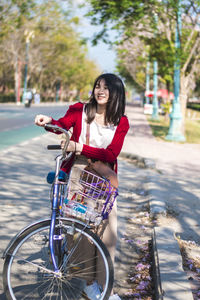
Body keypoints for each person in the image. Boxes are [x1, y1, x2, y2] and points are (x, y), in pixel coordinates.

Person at [35, 73, 130, 300]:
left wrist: (80, 147)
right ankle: (88, 285)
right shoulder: (80, 110)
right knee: (79, 233)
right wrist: (48, 121)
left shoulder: (121, 121)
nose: (100, 91)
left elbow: (111, 153)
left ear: (116, 93)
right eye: (98, 86)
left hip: (103, 181)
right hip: (78, 177)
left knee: (108, 234)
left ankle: (106, 288)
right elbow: (62, 126)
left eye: (106, 88)